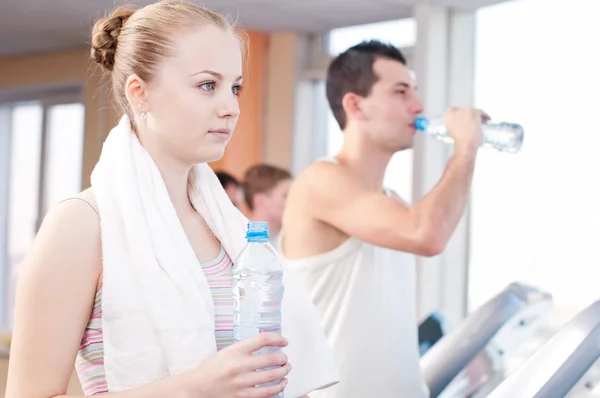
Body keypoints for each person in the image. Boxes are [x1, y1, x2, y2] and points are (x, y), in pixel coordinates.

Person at [5, 1, 338, 397]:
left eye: (235, 87)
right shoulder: (81, 224)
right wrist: (197, 388)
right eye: (207, 85)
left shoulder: (229, 228)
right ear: (140, 93)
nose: (231, 108)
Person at [279, 40, 486, 398]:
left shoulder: (394, 204)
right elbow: (427, 235)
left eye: (415, 91)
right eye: (401, 92)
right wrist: (465, 148)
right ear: (355, 105)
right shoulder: (321, 180)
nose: (418, 106)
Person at [242, 164, 292, 242]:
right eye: (285, 195)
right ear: (260, 201)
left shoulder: (289, 244)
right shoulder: (238, 245)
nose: (293, 201)